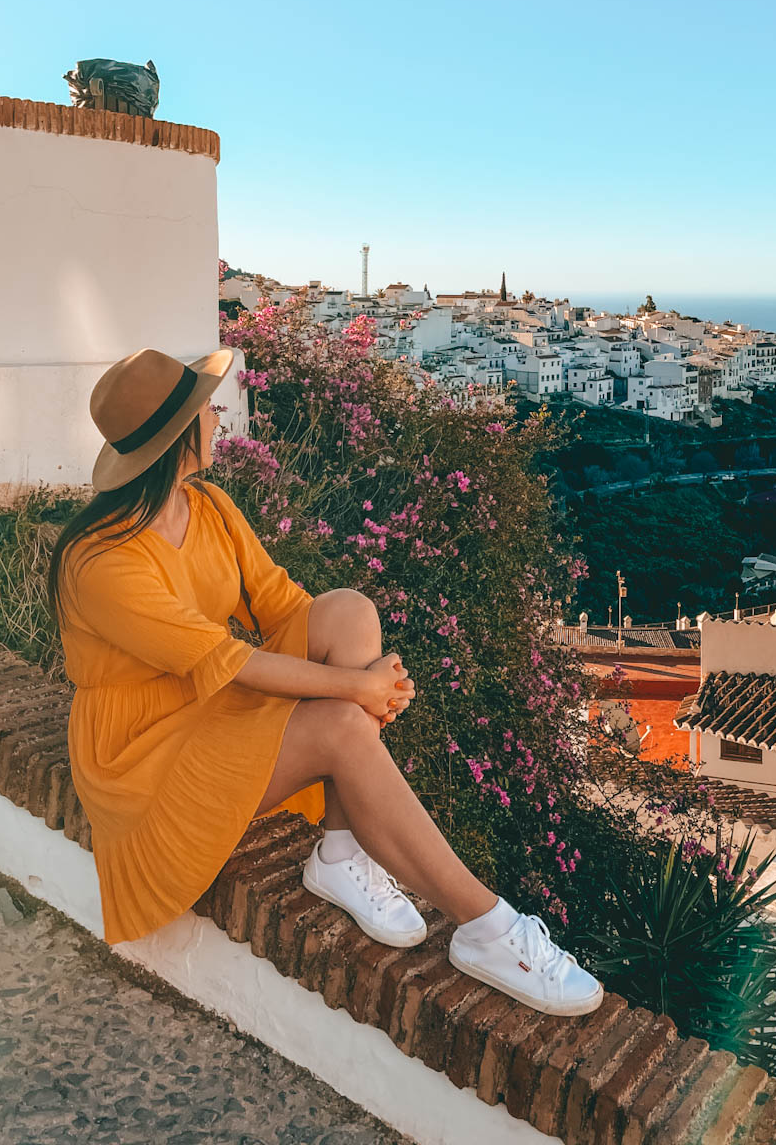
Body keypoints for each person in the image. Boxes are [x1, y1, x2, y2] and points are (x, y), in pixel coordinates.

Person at [48, 344, 603, 1018]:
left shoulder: (211, 508)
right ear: (175, 439)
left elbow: (283, 606)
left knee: (349, 612)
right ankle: (488, 927)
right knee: (342, 722)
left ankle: (341, 853)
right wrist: (358, 692)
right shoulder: (100, 562)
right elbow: (223, 659)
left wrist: (363, 674)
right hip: (145, 757)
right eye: (206, 409)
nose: (219, 417)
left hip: (210, 705)